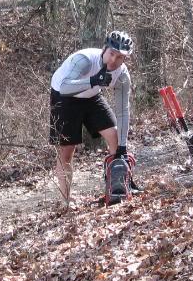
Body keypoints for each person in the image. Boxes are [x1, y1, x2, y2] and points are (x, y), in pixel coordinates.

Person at [49, 30, 135, 205]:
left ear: (125, 59)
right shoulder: (85, 60)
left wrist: (123, 146)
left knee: (115, 137)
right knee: (67, 151)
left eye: (119, 57)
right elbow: (65, 86)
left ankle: (116, 187)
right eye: (111, 53)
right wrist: (94, 80)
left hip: (92, 96)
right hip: (64, 97)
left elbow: (123, 111)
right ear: (104, 49)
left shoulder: (122, 75)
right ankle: (66, 200)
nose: (113, 60)